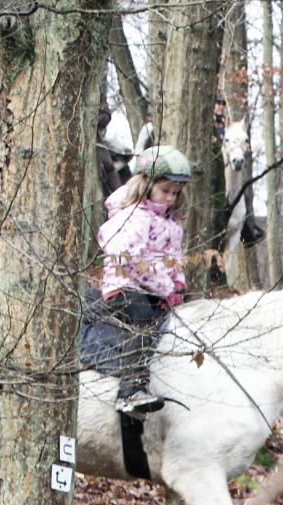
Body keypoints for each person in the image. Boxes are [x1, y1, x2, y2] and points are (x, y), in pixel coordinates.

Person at [95, 143, 191, 414]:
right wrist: (165, 288)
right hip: (124, 287)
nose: (170, 198)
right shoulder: (134, 217)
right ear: (146, 184)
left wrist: (179, 285)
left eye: (175, 193)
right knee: (143, 320)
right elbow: (129, 259)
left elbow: (173, 259)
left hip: (155, 290)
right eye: (165, 191)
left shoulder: (171, 224)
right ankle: (130, 389)